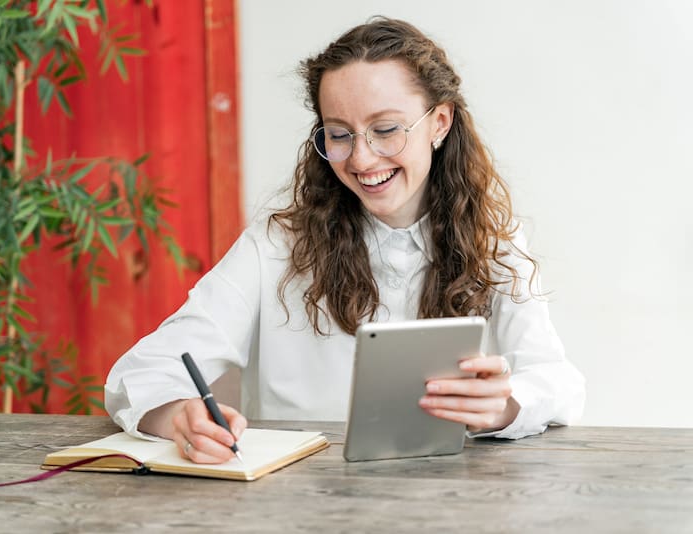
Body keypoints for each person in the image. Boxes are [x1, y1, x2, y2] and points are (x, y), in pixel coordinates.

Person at [105, 17, 585, 464]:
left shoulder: (493, 242)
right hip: (302, 503)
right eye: (339, 134)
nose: (361, 158)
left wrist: (505, 405)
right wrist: (177, 418)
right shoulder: (274, 246)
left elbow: (560, 381)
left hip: (449, 500)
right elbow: (140, 373)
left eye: (385, 129)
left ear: (440, 123)